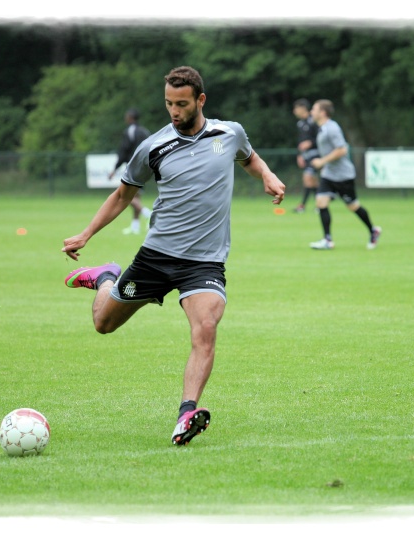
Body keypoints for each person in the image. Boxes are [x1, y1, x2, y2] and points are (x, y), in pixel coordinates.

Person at [61, 66, 286, 446]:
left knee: (206, 328)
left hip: (205, 262)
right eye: (168, 104)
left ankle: (186, 414)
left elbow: (250, 158)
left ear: (200, 100)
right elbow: (122, 197)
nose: (174, 111)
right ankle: (104, 277)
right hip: (157, 256)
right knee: (103, 323)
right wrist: (86, 233)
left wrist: (266, 175)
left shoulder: (229, 133)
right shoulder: (153, 147)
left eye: (181, 104)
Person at [308, 99, 381, 250]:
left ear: (323, 112)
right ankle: (327, 240)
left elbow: (342, 149)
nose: (311, 112)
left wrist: (322, 161)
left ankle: (373, 230)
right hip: (329, 174)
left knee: (353, 206)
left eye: (314, 109)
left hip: (343, 175)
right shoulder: (322, 128)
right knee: (321, 202)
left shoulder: (332, 128)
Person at [108, 108, 153, 235]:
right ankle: (135, 226)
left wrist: (114, 169)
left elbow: (124, 151)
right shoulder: (145, 131)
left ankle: (148, 213)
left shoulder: (130, 131)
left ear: (130, 118)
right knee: (135, 196)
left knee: (124, 195)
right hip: (146, 167)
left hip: (133, 167)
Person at [292, 99, 320, 213]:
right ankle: (319, 204)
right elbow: (301, 142)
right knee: (312, 181)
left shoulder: (313, 121)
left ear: (303, 108)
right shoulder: (300, 123)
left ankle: (302, 206)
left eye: (296, 108)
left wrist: (311, 143)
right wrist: (300, 155)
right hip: (306, 156)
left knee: (308, 178)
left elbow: (320, 138)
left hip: (316, 155)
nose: (294, 111)